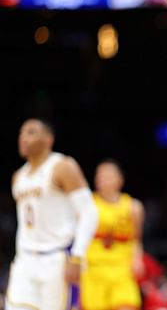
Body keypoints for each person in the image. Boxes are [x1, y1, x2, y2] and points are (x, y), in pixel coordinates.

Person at [6, 118, 98, 310]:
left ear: (48, 139)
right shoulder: (18, 177)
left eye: (31, 132)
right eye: (22, 133)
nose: (23, 138)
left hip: (56, 259)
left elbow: (89, 213)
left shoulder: (62, 166)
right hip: (25, 260)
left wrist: (77, 256)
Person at [80, 159, 145, 310]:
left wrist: (137, 258)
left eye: (108, 176)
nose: (103, 179)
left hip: (122, 270)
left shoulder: (134, 207)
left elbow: (136, 239)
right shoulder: (87, 205)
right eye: (100, 175)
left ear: (120, 180)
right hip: (93, 270)